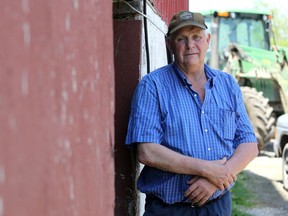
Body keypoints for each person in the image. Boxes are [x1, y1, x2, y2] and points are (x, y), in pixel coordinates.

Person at [125, 10, 258, 216]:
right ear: (169, 44)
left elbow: (249, 144)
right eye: (181, 39)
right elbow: (147, 151)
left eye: (196, 37)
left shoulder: (228, 85)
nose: (190, 45)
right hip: (168, 210)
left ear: (207, 40)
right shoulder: (153, 86)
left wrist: (216, 179)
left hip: (218, 206)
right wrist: (206, 169)